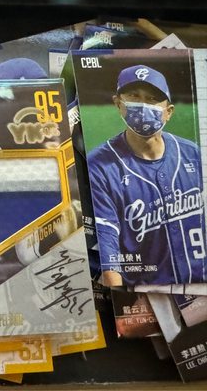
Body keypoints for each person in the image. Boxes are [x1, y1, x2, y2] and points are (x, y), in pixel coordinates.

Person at [87, 64, 206, 287]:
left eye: (152, 99)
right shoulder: (99, 166)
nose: (142, 105)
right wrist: (121, 299)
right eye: (134, 96)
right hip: (149, 295)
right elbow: (108, 249)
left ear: (169, 112)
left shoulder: (192, 154)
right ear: (118, 104)